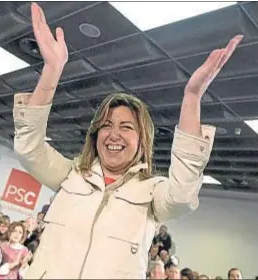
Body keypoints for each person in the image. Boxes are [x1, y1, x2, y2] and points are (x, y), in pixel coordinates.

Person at [13, 3, 243, 279]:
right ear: (95, 133)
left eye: (126, 127)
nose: (114, 134)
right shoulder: (70, 176)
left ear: (142, 140)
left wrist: (192, 98)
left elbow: (182, 196)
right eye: (106, 125)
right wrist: (51, 69)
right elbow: (29, 147)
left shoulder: (152, 193)